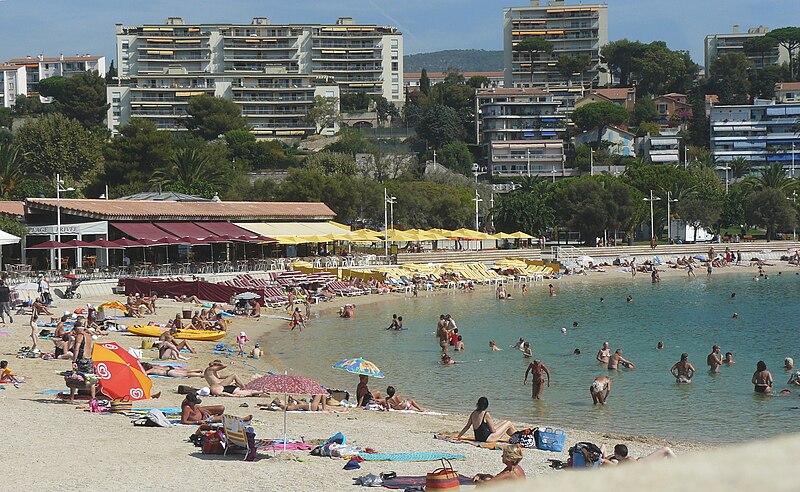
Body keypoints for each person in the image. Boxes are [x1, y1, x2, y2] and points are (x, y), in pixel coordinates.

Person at [70, 324, 96, 402]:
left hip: (82, 359)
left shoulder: (80, 336)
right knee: (91, 379)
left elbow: (77, 349)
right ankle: (93, 398)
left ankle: (71, 398)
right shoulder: (88, 336)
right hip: (89, 359)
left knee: (74, 378)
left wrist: (74, 361)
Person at [601, 444, 675, 466]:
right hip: (642, 461)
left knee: (666, 449)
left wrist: (599, 455)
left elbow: (603, 446)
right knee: (666, 450)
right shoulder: (616, 461)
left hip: (643, 461)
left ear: (617, 454)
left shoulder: (626, 460)